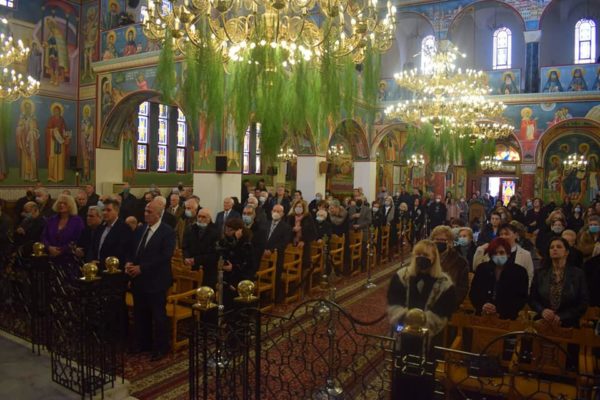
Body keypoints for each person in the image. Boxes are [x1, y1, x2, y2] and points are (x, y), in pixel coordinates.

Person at [126, 198, 176, 361]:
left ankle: (161, 347)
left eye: (149, 212)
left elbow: (165, 256)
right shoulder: (141, 229)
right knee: (141, 313)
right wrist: (129, 262)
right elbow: (133, 249)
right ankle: (144, 343)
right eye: (145, 211)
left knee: (158, 315)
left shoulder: (167, 231)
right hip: (139, 280)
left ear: (158, 214)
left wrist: (142, 268)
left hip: (157, 280)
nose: (145, 214)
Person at [387, 239, 457, 340]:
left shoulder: (444, 283)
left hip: (430, 334)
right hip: (402, 330)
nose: (421, 258)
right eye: (418, 254)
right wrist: (407, 321)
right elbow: (394, 302)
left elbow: (443, 311)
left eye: (425, 255)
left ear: (434, 258)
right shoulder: (401, 276)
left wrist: (422, 323)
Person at [529, 237, 588, 328]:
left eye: (559, 247)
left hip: (569, 324)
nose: (555, 249)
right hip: (543, 322)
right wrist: (542, 311)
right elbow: (532, 299)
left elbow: (583, 303)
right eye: (552, 247)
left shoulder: (578, 274)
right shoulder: (540, 273)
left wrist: (562, 316)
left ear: (566, 252)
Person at [469, 238, 529, 320]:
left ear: (508, 254)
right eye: (494, 253)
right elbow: (474, 293)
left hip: (508, 318)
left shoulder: (519, 272)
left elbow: (521, 298)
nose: (498, 256)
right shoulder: (482, 268)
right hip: (482, 315)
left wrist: (498, 309)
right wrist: (483, 305)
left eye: (501, 252)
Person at [218, 218, 256, 308]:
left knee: (236, 303)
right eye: (226, 229)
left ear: (239, 231)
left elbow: (247, 264)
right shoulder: (228, 240)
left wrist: (233, 267)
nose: (227, 232)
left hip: (241, 276)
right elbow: (222, 249)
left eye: (230, 230)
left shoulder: (246, 244)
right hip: (228, 276)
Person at [430, 226, 469, 307]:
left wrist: (450, 303)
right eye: (437, 239)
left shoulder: (460, 262)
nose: (440, 242)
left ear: (450, 242)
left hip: (447, 304)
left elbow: (462, 288)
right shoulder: (425, 257)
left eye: (443, 240)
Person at [41, 194, 84, 264]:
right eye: (60, 203)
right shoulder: (51, 220)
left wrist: (62, 250)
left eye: (65, 203)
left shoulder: (77, 221)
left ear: (70, 206)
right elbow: (44, 236)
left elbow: (78, 239)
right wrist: (49, 247)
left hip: (69, 258)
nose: (61, 205)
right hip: (50, 257)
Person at [262, 204, 293, 302]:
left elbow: (284, 242)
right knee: (262, 275)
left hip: (277, 254)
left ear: (282, 214)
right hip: (263, 254)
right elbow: (260, 238)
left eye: (278, 211)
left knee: (275, 277)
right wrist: (263, 249)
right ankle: (263, 295)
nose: (275, 213)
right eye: (274, 210)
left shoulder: (286, 227)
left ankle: (274, 298)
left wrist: (271, 250)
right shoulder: (265, 224)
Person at [182, 208, 219, 288]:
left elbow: (214, 254)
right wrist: (186, 257)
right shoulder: (191, 228)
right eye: (199, 216)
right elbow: (185, 246)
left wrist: (196, 259)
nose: (200, 219)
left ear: (209, 218)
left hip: (208, 270)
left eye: (203, 217)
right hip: (192, 268)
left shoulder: (216, 231)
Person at [93, 199, 132, 270]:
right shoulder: (100, 227)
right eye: (103, 210)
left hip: (113, 269)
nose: (105, 213)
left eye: (108, 210)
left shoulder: (124, 228)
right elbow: (93, 246)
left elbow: (121, 251)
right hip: (97, 268)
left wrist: (101, 263)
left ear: (117, 211)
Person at [287, 199, 317, 291]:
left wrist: (303, 240)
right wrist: (292, 229)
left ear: (304, 208)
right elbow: (285, 230)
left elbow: (313, 233)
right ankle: (292, 287)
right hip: (292, 245)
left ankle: (302, 287)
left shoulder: (308, 217)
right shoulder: (290, 217)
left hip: (304, 245)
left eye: (300, 207)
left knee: (304, 266)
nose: (298, 208)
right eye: (297, 206)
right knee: (291, 265)